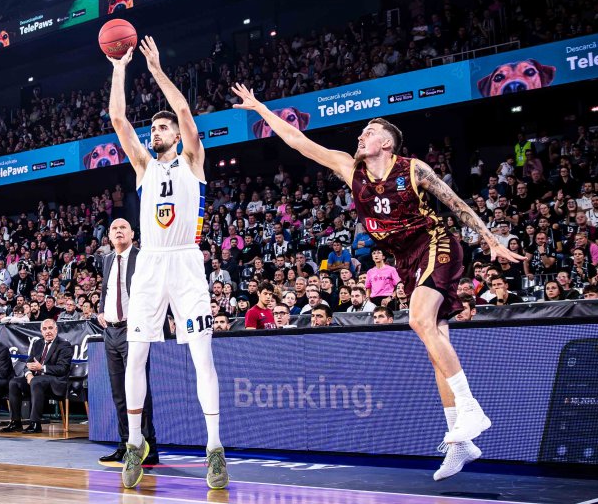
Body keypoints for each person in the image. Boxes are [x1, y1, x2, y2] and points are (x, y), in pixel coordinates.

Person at [232, 90, 523, 482]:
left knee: (419, 321)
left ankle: (470, 409)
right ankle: (459, 441)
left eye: (368, 132)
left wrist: (489, 240)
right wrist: (261, 109)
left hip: (435, 243)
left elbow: (456, 204)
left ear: (385, 143)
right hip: (403, 259)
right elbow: (298, 141)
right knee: (435, 337)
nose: (359, 137)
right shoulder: (349, 169)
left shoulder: (413, 169)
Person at [108, 39, 227, 489]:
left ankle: (214, 448)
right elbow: (118, 119)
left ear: (176, 135)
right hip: (151, 265)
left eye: (163, 127)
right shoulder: (143, 167)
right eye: (153, 127)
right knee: (136, 354)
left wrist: (156, 68)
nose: (156, 131)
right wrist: (121, 67)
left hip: (185, 264)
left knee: (202, 356)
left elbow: (184, 112)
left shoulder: (193, 161)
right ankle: (135, 444)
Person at [95, 219, 158, 466]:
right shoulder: (108, 259)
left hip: (135, 330)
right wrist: (101, 310)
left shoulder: (142, 258)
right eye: (114, 228)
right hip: (110, 332)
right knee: (119, 393)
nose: (119, 231)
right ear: (109, 236)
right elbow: (106, 291)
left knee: (139, 391)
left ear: (132, 233)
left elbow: (153, 292)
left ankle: (148, 446)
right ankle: (125, 445)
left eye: (123, 228)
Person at [6, 319, 73, 433]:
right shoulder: (38, 343)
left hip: (55, 382)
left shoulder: (64, 345)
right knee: (14, 382)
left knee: (37, 381)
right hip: (36, 381)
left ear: (56, 330)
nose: (48, 332)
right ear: (41, 331)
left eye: (50, 328)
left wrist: (41, 368)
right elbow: (28, 363)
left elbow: (62, 369)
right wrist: (28, 375)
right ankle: (16, 422)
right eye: (45, 329)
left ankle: (35, 423)